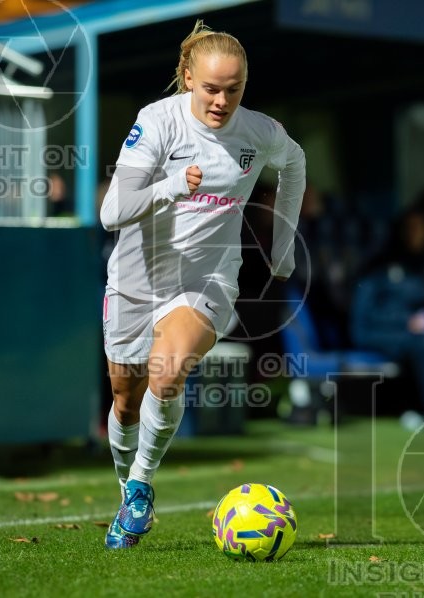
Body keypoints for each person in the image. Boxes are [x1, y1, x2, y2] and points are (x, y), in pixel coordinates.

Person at [98, 20, 305, 549]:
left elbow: (296, 163)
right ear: (188, 78)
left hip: (207, 278)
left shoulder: (258, 133)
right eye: (211, 88)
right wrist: (169, 186)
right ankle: (127, 486)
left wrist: (281, 246)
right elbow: (111, 211)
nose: (221, 101)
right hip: (136, 278)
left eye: (233, 90)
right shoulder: (157, 122)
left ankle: (142, 485)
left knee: (167, 375)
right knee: (125, 397)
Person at [350, 208, 424, 423]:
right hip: (381, 333)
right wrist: (405, 320)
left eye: (420, 228)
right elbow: (365, 315)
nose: (415, 234)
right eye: (410, 228)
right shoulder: (378, 266)